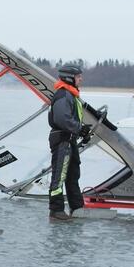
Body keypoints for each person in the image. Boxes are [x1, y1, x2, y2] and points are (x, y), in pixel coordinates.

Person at [47, 65, 92, 221]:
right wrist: (80, 129)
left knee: (73, 176)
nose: (81, 79)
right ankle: (56, 210)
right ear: (69, 78)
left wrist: (83, 132)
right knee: (59, 175)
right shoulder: (63, 95)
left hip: (70, 139)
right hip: (62, 139)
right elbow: (62, 119)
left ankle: (77, 208)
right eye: (78, 76)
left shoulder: (71, 95)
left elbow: (71, 119)